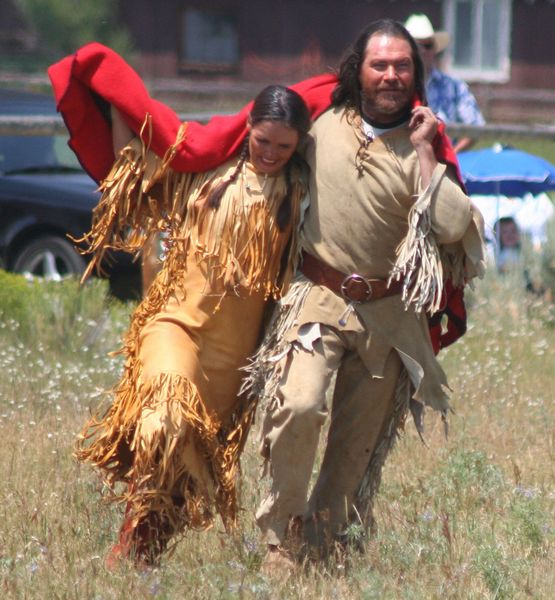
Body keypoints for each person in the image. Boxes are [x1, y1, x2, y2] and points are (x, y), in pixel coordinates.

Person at [240, 19, 486, 566]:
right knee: (299, 405)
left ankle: (321, 555)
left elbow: (449, 225)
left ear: (416, 74)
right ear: (360, 70)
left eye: (403, 66)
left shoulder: (424, 145)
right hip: (315, 297)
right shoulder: (322, 123)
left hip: (389, 316)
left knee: (354, 451)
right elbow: (263, 148)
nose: (391, 76)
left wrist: (425, 152)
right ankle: (278, 543)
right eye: (381, 65)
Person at [71, 84, 311, 567]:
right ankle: (132, 552)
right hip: (176, 325)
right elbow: (134, 165)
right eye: (263, 141)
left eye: (283, 148)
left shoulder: (301, 193)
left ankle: (137, 557)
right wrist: (116, 98)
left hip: (233, 353)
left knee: (188, 470)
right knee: (162, 423)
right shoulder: (205, 173)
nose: (270, 154)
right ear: (247, 129)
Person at [404, 13, 485, 153]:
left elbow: (475, 127)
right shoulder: (393, 86)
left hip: (441, 166)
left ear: (435, 49)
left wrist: (450, 157)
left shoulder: (455, 87)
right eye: (416, 45)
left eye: (427, 45)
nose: (422, 51)